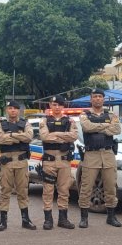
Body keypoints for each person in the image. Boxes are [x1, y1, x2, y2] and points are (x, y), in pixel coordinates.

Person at [78, 88, 122, 228]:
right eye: (95, 96)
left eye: (100, 96)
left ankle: (111, 216)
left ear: (103, 99)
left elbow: (117, 129)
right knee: (86, 187)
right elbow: (86, 127)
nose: (97, 99)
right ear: (91, 99)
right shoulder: (84, 114)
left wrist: (97, 127)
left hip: (108, 154)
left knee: (110, 186)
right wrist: (105, 126)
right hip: (91, 155)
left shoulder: (111, 114)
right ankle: (84, 218)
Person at [38, 95, 78, 230]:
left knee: (64, 190)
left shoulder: (70, 121)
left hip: (65, 161)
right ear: (50, 105)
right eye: (54, 105)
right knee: (48, 191)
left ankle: (63, 219)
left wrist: (55, 135)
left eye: (59, 105)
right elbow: (44, 137)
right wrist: (63, 136)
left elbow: (74, 136)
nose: (56, 107)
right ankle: (48, 220)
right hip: (49, 161)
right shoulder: (44, 121)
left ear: (63, 106)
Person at [0, 100, 35, 231]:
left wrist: (10, 135)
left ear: (19, 110)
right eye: (10, 108)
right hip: (7, 162)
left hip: (22, 162)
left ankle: (25, 219)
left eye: (15, 108)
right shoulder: (0, 125)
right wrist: (19, 136)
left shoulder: (26, 123)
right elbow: (0, 139)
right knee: (5, 191)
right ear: (7, 110)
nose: (12, 110)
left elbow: (29, 137)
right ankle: (3, 221)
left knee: (23, 191)